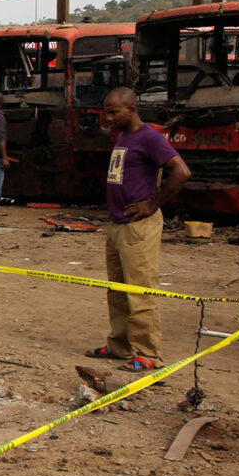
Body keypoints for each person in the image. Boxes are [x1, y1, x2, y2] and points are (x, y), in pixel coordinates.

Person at [86, 87, 190, 372]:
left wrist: (152, 204)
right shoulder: (124, 136)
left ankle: (147, 354)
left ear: (131, 109)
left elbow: (181, 171)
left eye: (113, 112)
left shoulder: (150, 137)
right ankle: (120, 344)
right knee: (117, 289)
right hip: (117, 223)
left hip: (138, 227)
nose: (108, 118)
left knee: (140, 290)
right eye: (106, 111)